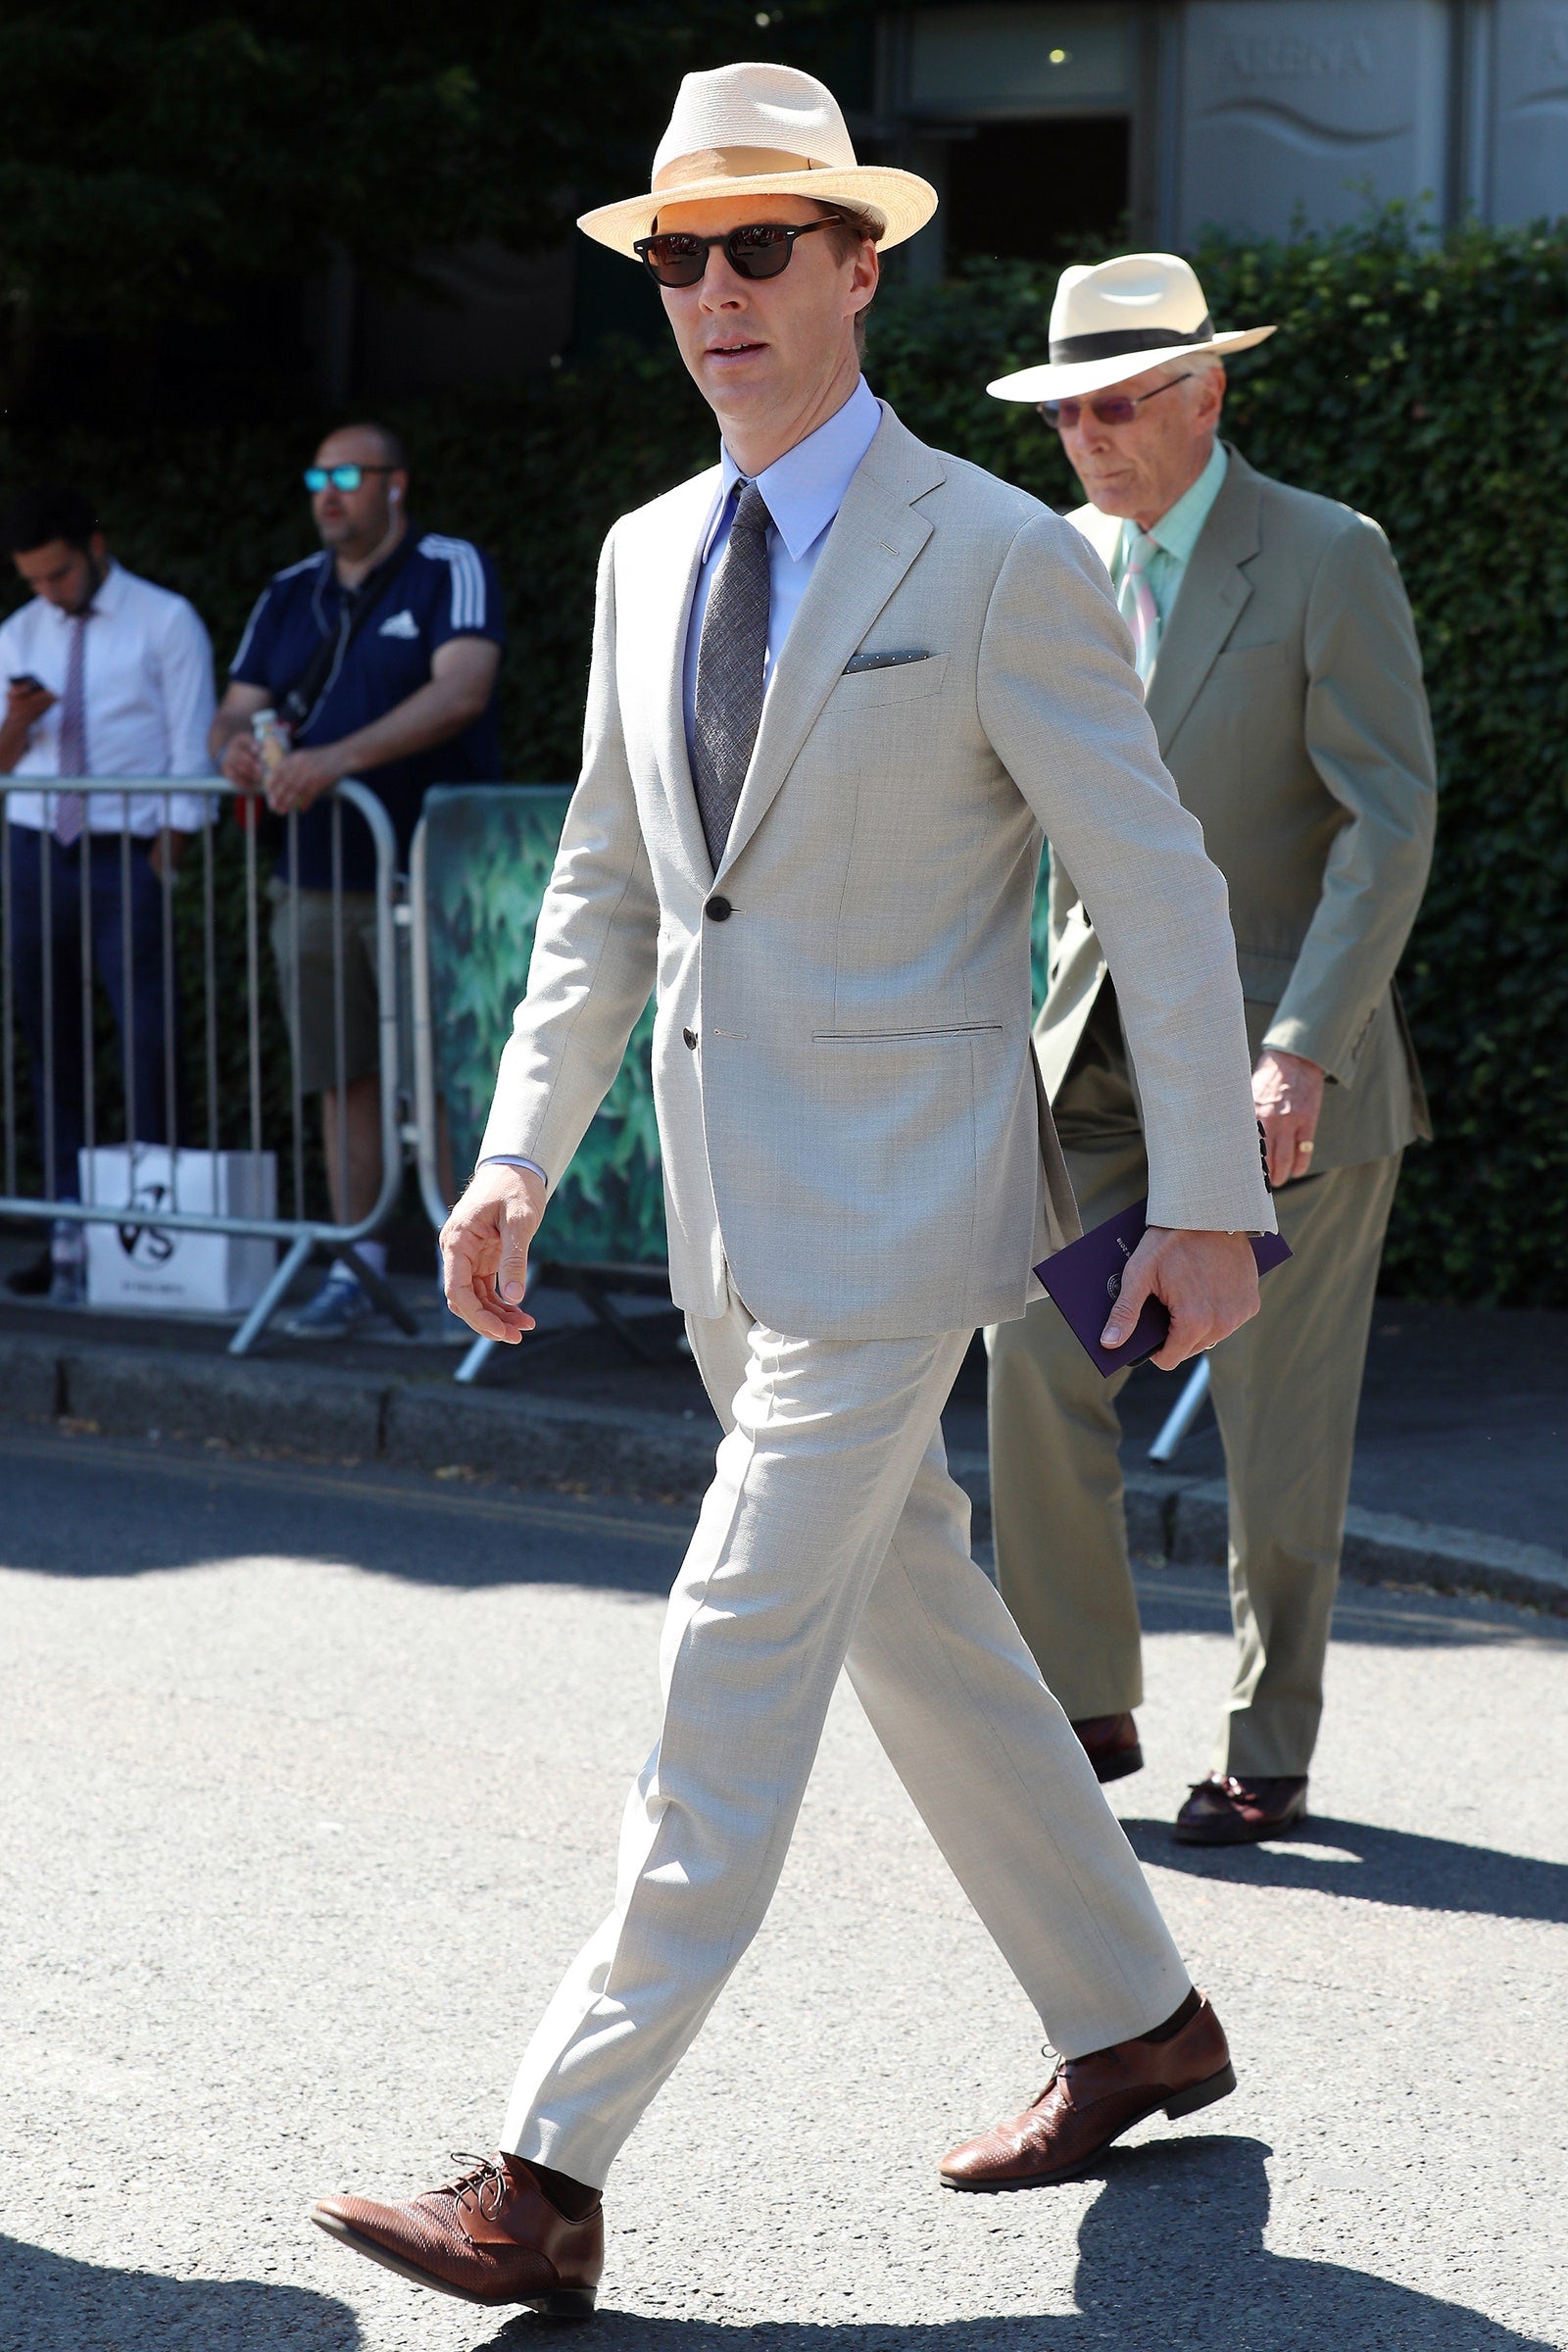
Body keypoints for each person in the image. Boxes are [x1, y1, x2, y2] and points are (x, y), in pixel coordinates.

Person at [308, 67, 1275, 2318]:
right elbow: (604, 889)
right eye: (678, 253)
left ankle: (545, 2160)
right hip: (730, 1223)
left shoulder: (998, 552)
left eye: (760, 246)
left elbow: (1155, 880)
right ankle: (1137, 2018)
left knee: (729, 1655)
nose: (715, 289)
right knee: (920, 1625)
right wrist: (518, 1154)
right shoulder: (649, 549)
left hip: (907, 1220)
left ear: (860, 264)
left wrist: (1208, 1195)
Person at [985, 253, 1437, 1843]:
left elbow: (1391, 824)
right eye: (1066, 413)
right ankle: (1080, 1702)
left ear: (1204, 394)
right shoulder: (1043, 563)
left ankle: (1272, 1739)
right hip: (1095, 1051)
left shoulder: (1327, 556)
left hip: (1278, 1070)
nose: (1090, 438)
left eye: (1116, 405)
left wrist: (1307, 1044)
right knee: (1033, 1345)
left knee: (1275, 1421)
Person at [209, 422, 504, 1335]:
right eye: (317, 476)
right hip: (317, 873)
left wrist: (333, 760)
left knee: (458, 1076)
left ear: (396, 485)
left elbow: (463, 690)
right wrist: (240, 761)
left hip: (426, 871)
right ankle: (358, 1269)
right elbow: (231, 719)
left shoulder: (449, 565)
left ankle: (487, 1277)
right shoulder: (289, 592)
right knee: (343, 1078)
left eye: (348, 475)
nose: (328, 492)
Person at [0, 484, 215, 1304]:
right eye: (33, 580)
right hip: (34, 847)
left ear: (94, 546)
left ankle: (155, 1238)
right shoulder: (19, 633)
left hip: (127, 853)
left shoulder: (165, 619)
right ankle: (68, 1235)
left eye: (57, 574)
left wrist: (170, 851)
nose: (48, 593)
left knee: (146, 1037)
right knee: (51, 1041)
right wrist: (21, 722)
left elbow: (190, 738)